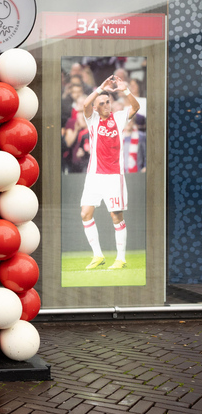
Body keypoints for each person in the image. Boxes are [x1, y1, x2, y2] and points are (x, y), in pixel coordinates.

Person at [81, 75, 140, 270]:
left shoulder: (119, 117)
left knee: (116, 217)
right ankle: (98, 255)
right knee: (85, 213)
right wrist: (99, 89)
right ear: (96, 108)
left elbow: (136, 107)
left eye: (108, 102)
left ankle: (120, 258)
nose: (107, 105)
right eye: (103, 103)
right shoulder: (93, 120)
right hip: (94, 175)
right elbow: (85, 105)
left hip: (114, 176)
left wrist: (125, 90)